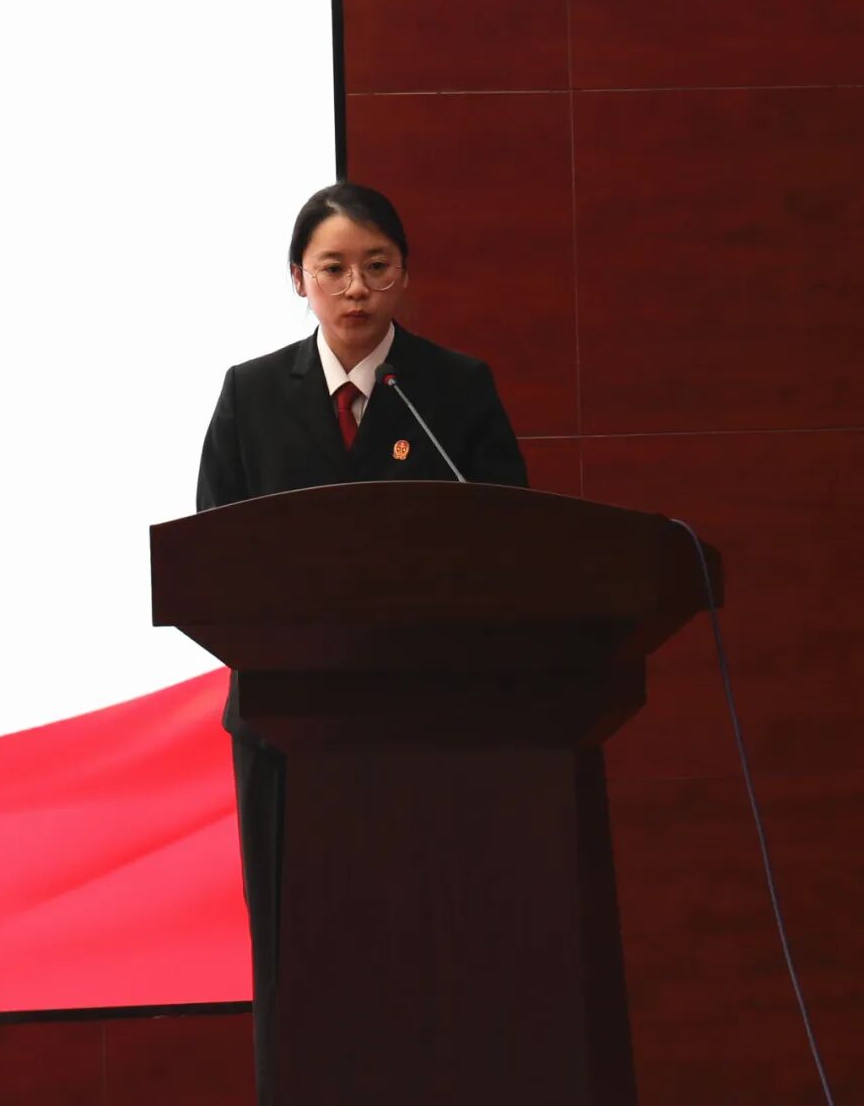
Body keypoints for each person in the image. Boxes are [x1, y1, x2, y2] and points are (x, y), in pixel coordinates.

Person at [195, 181, 527, 1105]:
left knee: (430, 944)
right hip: (285, 731)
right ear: (297, 278)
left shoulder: (453, 388)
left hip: (427, 725)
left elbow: (514, 542)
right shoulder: (252, 394)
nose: (355, 288)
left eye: (376, 266)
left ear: (404, 274)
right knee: (297, 952)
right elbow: (210, 554)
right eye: (333, 268)